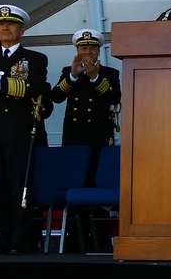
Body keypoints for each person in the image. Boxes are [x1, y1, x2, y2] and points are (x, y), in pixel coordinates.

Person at [0, 5, 49, 254]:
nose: (5, 28)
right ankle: (3, 237)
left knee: (20, 188)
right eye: (0, 24)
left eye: (11, 24)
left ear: (21, 30)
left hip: (19, 131)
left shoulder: (34, 59)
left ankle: (22, 239)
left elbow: (31, 88)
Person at [50, 28, 121, 182]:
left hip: (98, 131)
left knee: (97, 171)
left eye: (92, 48)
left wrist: (95, 77)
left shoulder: (110, 73)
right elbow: (55, 97)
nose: (88, 52)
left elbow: (115, 98)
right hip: (74, 131)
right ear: (78, 51)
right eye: (83, 48)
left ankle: (98, 205)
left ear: (98, 51)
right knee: (73, 171)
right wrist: (73, 76)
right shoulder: (68, 71)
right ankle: (74, 206)